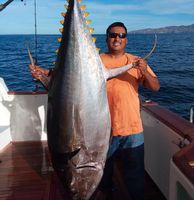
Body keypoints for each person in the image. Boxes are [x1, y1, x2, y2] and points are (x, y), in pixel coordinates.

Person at [29, 22, 160, 200]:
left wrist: (144, 70)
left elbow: (155, 87)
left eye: (121, 35)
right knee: (104, 175)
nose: (117, 38)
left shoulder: (136, 61)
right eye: (113, 35)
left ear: (126, 40)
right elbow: (71, 72)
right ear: (106, 38)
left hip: (132, 128)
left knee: (135, 174)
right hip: (102, 131)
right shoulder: (93, 60)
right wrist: (43, 72)